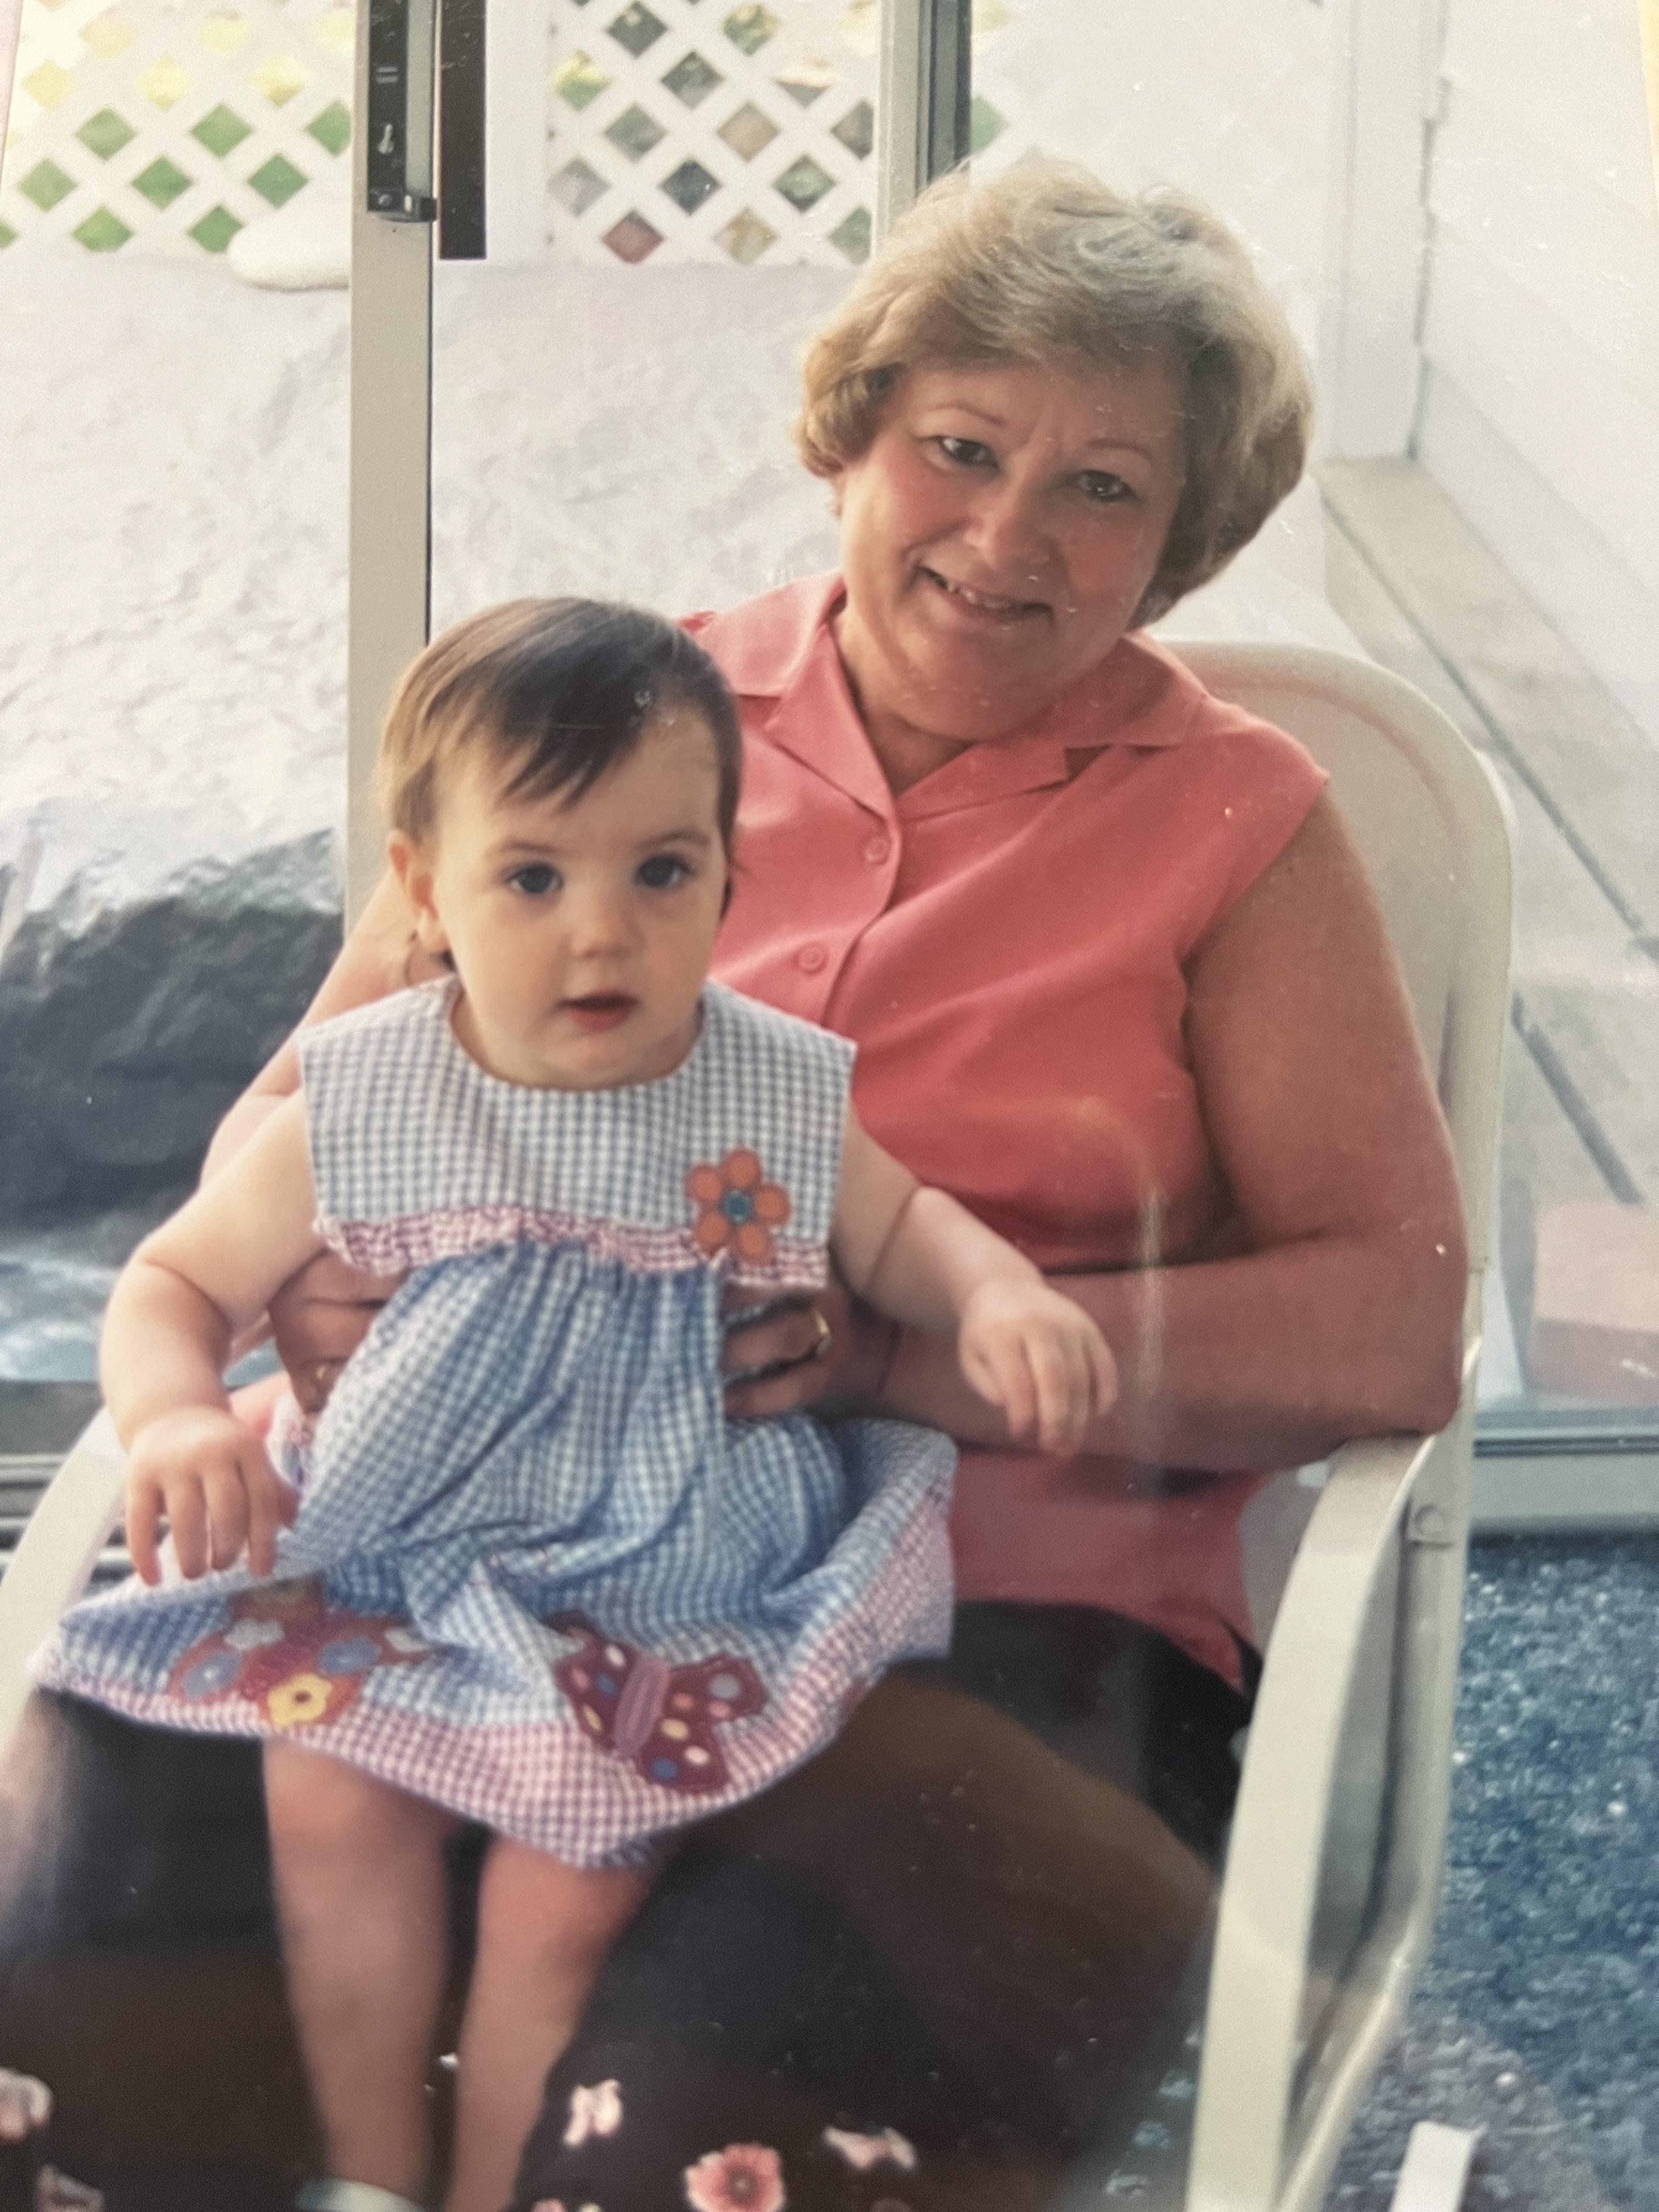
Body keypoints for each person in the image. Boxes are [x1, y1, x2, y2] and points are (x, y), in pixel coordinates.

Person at [19, 160, 1465, 2210]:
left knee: (696, 2160)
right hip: (423, 1550)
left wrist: (907, 1359)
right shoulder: (601, 727)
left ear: (1187, 535)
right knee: (53, 2030)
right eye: (958, 447)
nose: (1006, 535)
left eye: (1105, 489)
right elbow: (293, 1139)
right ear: (851, 432)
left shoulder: (1240, 822)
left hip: (987, 1619)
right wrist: (302, 1314)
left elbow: (1387, 1317)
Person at [31, 599, 1114, 2212]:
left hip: (664, 1559)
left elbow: (904, 1228)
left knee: (568, 1887)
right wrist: (183, 1411)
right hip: (400, 1547)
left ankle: (487, 2188)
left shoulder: (765, 1083)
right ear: (426, 892)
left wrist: (1006, 1294)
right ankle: (371, 2174)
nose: (600, 934)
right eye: (533, 878)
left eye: (659, 874)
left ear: (729, 882)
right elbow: (174, 1282)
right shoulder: (374, 1092)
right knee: (326, 1800)